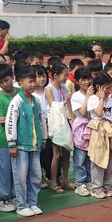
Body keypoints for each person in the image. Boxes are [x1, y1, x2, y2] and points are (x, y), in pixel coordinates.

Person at [5, 65, 45, 216]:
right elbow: (10, 122)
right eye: (30, 81)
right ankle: (21, 205)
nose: (33, 84)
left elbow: (41, 121)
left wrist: (43, 138)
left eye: (34, 81)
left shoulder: (36, 101)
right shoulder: (17, 101)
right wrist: (12, 143)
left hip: (35, 145)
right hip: (21, 146)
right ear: (20, 83)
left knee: (36, 175)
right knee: (20, 176)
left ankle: (33, 202)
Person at [86, 71, 112, 198]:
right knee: (98, 159)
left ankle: (107, 185)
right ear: (98, 87)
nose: (109, 91)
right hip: (98, 130)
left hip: (110, 130)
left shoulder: (110, 100)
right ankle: (96, 187)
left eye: (110, 88)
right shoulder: (93, 99)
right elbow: (99, 113)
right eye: (107, 88)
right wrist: (101, 98)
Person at [0, 65, 17, 211]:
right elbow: (0, 119)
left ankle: (15, 196)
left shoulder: (20, 93)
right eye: (0, 82)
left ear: (12, 77)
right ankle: (2, 199)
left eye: (6, 80)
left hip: (20, 140)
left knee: (17, 171)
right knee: (4, 171)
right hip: (4, 141)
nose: (4, 84)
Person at [45, 62, 72, 192]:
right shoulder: (49, 89)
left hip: (64, 121)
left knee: (67, 152)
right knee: (56, 154)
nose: (66, 77)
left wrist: (73, 117)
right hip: (55, 123)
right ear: (55, 75)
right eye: (64, 75)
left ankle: (66, 180)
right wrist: (65, 101)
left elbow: (68, 107)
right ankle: (54, 181)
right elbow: (52, 104)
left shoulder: (64, 88)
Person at [69, 70, 93, 196]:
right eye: (83, 79)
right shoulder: (76, 96)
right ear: (77, 81)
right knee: (80, 158)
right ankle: (80, 183)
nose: (87, 82)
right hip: (80, 129)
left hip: (92, 127)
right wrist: (88, 97)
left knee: (90, 157)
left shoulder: (93, 94)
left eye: (88, 79)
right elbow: (82, 113)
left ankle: (89, 181)